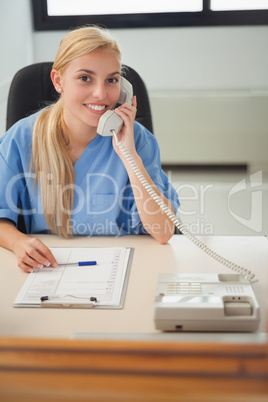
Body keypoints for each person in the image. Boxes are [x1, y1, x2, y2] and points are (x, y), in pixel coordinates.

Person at [0, 26, 180, 273]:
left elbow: (163, 232)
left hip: (125, 267)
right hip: (48, 269)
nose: (101, 94)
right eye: (85, 78)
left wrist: (129, 155)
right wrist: (18, 242)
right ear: (58, 81)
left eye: (112, 80)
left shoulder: (138, 140)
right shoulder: (21, 138)